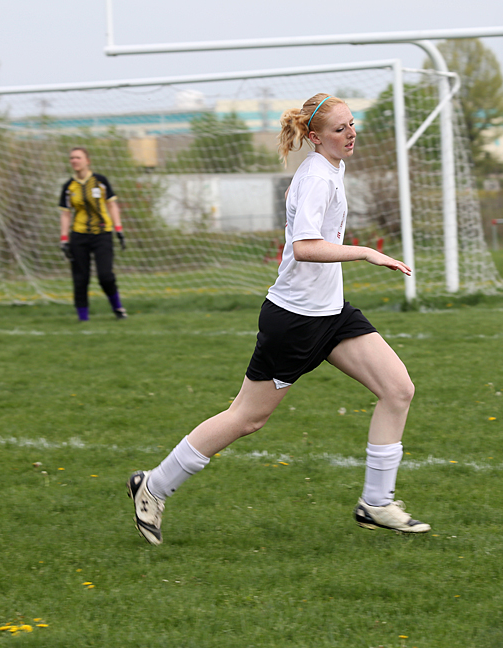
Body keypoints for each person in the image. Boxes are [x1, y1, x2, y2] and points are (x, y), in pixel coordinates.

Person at [127, 94, 429, 545]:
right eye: (339, 129)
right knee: (247, 418)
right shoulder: (316, 179)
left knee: (398, 388)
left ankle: (377, 503)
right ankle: (153, 486)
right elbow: (306, 246)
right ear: (314, 137)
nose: (351, 134)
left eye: (351, 125)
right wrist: (366, 252)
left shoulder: (332, 168)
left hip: (331, 314)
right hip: (294, 320)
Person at [58, 147, 127, 321]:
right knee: (80, 279)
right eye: (71, 158)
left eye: (78, 157)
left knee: (106, 276)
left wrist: (118, 229)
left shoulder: (100, 181)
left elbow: (111, 205)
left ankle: (118, 308)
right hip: (79, 236)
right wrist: (64, 239)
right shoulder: (68, 186)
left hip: (102, 233)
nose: (74, 161)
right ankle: (83, 319)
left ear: (87, 160)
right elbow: (66, 214)